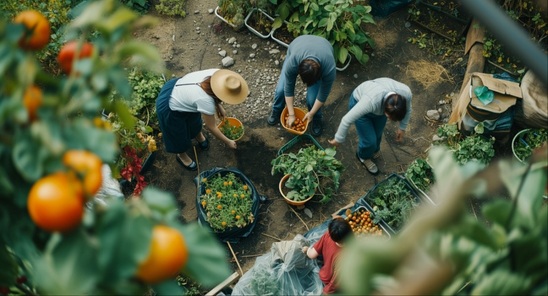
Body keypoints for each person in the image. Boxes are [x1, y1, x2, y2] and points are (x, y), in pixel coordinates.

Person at [156, 69, 249, 171]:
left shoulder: (218, 74)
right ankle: (181, 155)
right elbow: (212, 127)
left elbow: (213, 91)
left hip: (186, 94)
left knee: (194, 120)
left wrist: (219, 106)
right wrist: (228, 141)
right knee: (177, 134)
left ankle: (198, 135)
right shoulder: (205, 100)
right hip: (169, 105)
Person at [328, 77, 412, 175]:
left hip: (378, 107)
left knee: (378, 133)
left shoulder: (406, 94)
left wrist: (402, 128)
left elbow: (408, 110)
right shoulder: (370, 102)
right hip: (359, 103)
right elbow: (346, 120)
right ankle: (363, 157)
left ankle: (374, 150)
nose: (389, 119)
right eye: (388, 117)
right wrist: (338, 139)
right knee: (369, 140)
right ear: (385, 110)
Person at [267, 35, 337, 136]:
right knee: (280, 91)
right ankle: (277, 109)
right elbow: (288, 87)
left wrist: (311, 113)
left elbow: (323, 95)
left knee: (312, 99)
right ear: (298, 70)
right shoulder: (294, 61)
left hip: (324, 47)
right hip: (298, 45)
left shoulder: (329, 69)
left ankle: (316, 118)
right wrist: (291, 114)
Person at [302, 217, 353, 294]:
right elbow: (336, 282)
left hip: (325, 273)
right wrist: (326, 291)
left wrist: (307, 250)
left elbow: (312, 255)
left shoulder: (328, 234)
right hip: (329, 279)